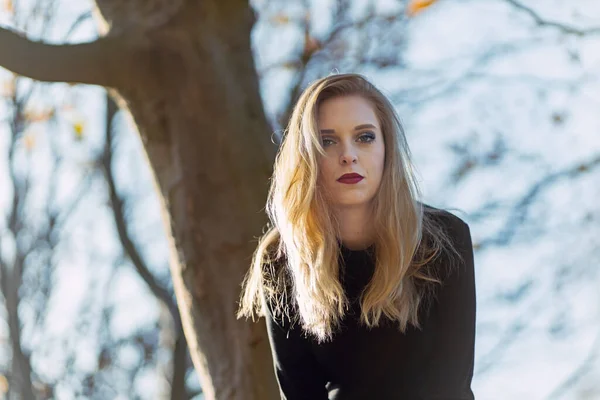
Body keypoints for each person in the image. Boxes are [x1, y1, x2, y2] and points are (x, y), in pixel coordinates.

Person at [236, 73, 476, 399]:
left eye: (364, 137)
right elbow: (299, 391)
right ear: (308, 156)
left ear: (387, 148)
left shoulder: (444, 239)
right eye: (328, 141)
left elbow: (453, 382)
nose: (348, 155)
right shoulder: (281, 258)